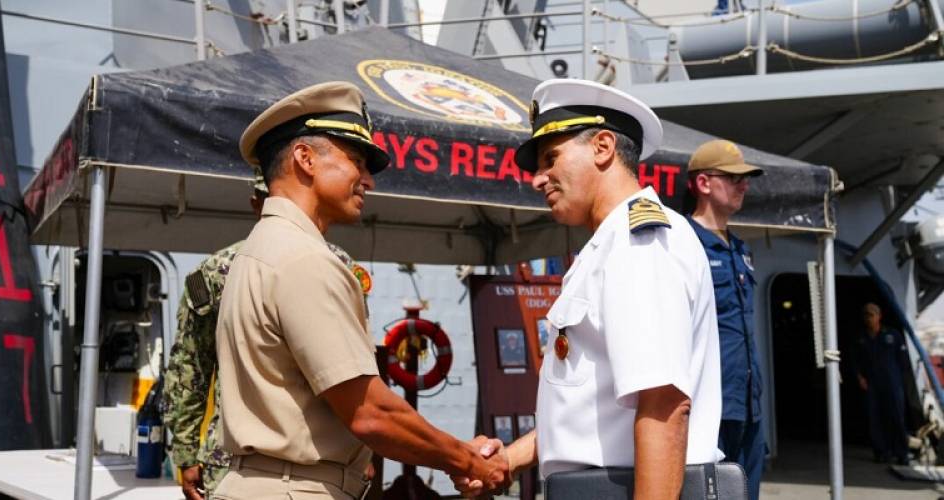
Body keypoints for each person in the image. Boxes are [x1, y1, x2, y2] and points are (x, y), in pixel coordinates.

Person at [213, 81, 508, 499]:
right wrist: (470, 461)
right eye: (357, 161)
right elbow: (370, 413)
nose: (368, 180)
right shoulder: (305, 260)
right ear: (305, 158)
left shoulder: (259, 250)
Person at [454, 78, 723, 499]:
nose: (537, 179)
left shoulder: (640, 242)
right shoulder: (608, 245)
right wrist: (510, 458)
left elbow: (664, 406)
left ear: (602, 147)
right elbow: (592, 415)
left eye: (550, 158)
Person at [163, 172, 367, 500]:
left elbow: (191, 372)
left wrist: (185, 453)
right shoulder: (338, 266)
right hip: (319, 461)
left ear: (255, 203)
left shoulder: (214, 270)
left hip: (239, 459)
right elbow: (354, 375)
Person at [685, 139, 766, 500]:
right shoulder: (685, 243)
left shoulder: (740, 249)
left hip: (748, 403)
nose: (743, 185)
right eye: (733, 178)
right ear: (704, 183)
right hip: (708, 406)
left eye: (744, 179)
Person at [854, 302, 911, 464]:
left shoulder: (892, 335)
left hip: (892, 383)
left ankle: (901, 452)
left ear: (879, 316)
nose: (869, 318)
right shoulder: (861, 338)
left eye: (871, 315)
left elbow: (903, 360)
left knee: (897, 417)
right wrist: (860, 377)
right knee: (875, 418)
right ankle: (881, 451)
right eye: (866, 315)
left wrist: (900, 380)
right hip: (872, 383)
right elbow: (855, 361)